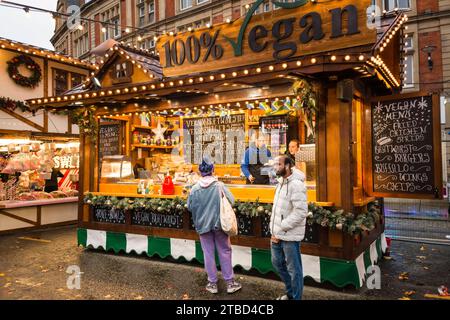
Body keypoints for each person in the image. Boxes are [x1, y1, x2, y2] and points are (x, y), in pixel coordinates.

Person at [187, 157, 242, 294]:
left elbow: (189, 206)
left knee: (208, 254)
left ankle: (212, 283)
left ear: (200, 172)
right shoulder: (219, 186)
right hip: (219, 225)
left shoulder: (194, 189)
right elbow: (232, 200)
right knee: (224, 251)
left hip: (202, 225)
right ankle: (230, 283)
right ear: (213, 170)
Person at [270, 155, 308, 300]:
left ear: (287, 166)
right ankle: (291, 293)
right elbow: (279, 208)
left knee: (294, 270)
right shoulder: (280, 182)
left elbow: (301, 211)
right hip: (277, 234)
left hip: (289, 234)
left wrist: (283, 226)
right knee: (277, 263)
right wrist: (275, 229)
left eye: (278, 164)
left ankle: (295, 297)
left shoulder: (296, 185)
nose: (275, 167)